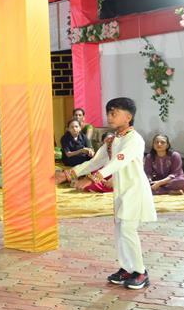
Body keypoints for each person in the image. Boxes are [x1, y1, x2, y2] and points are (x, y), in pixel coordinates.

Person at [61, 98, 156, 289]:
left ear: (128, 117)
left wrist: (91, 179)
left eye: (114, 113)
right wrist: (68, 174)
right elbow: (95, 161)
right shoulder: (113, 140)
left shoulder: (134, 139)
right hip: (121, 190)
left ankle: (140, 272)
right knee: (120, 229)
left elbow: (118, 162)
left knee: (128, 229)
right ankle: (126, 268)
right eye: (108, 113)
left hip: (135, 190)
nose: (110, 117)